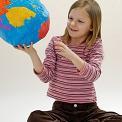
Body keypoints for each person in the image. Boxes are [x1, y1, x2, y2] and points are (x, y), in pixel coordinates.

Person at [16, 0, 122, 121]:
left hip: (89, 111)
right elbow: (46, 77)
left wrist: (71, 55)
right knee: (35, 117)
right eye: (70, 18)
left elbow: (94, 74)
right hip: (61, 111)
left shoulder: (95, 44)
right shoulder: (56, 42)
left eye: (80, 21)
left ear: (92, 26)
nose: (72, 24)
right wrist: (32, 54)